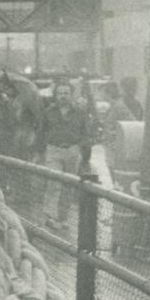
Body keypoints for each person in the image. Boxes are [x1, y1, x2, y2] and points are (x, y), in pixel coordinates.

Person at [39, 81, 93, 226]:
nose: (63, 96)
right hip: (53, 150)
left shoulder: (80, 113)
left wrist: (84, 154)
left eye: (66, 93)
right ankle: (51, 217)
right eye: (60, 93)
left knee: (68, 185)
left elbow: (85, 134)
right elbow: (41, 132)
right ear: (56, 95)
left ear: (71, 95)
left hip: (73, 151)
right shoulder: (48, 112)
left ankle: (62, 218)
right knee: (53, 182)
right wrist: (40, 151)